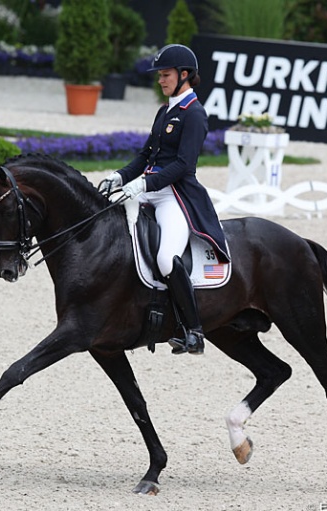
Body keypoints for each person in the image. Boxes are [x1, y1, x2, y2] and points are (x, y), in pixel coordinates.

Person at [99, 44, 230, 355]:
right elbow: (146, 155)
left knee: (165, 258)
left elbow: (183, 165)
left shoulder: (194, 114)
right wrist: (120, 176)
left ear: (185, 75)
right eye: (160, 75)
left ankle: (194, 331)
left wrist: (143, 183)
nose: (161, 80)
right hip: (148, 189)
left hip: (174, 195)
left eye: (166, 74)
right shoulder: (165, 111)